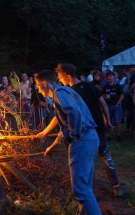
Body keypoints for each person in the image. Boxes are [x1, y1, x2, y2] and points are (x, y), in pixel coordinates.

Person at [36, 70, 101, 215]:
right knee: (85, 186)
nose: (38, 89)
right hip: (90, 138)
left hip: (82, 141)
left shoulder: (59, 93)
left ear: (45, 83)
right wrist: (47, 137)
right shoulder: (65, 91)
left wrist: (74, 133)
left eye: (38, 86)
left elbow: (74, 113)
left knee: (81, 190)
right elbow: (63, 120)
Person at [55, 63, 123, 197]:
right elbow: (102, 103)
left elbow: (65, 114)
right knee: (105, 156)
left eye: (60, 77)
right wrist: (107, 120)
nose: (60, 81)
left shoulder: (71, 91)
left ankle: (88, 189)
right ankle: (117, 187)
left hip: (87, 129)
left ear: (67, 76)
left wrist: (45, 132)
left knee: (89, 158)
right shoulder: (90, 85)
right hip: (98, 124)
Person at [103, 70, 124, 142]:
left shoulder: (118, 85)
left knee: (117, 121)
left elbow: (122, 95)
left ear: (113, 77)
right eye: (107, 76)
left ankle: (118, 136)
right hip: (108, 106)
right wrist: (105, 97)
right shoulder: (105, 87)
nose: (109, 78)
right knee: (108, 121)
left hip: (116, 106)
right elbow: (103, 95)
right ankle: (108, 135)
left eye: (110, 76)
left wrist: (118, 103)